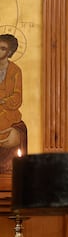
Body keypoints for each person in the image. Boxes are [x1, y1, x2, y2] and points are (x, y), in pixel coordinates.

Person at [0, 34, 26, 174]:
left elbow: (17, 96)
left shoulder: (15, 71)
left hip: (8, 110)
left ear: (9, 52)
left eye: (2, 48)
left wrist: (4, 100)